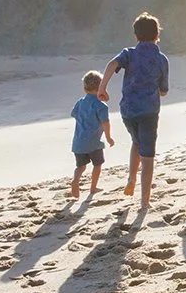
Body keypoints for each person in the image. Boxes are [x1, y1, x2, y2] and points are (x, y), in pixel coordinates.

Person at [99, 12, 169, 207]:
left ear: (136, 35)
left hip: (128, 111)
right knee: (148, 156)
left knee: (136, 142)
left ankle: (131, 179)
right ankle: (144, 201)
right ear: (157, 35)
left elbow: (112, 64)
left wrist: (102, 87)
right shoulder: (161, 59)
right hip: (149, 111)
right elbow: (164, 91)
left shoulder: (129, 53)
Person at [69, 70, 114, 198]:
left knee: (81, 166)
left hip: (78, 142)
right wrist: (109, 137)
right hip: (94, 142)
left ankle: (75, 180)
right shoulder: (101, 106)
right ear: (101, 87)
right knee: (97, 165)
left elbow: (74, 114)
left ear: (84, 88)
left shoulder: (80, 102)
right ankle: (93, 187)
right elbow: (106, 122)